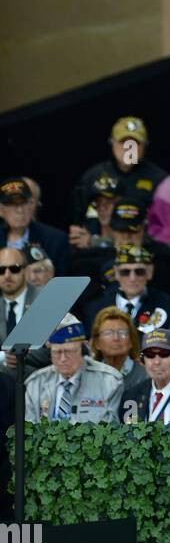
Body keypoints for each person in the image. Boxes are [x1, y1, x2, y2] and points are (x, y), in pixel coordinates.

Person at [25, 316, 123, 424]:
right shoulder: (36, 383)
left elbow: (112, 430)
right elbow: (30, 431)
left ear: (82, 351)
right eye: (57, 352)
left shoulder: (110, 381)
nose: (63, 359)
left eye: (69, 352)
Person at [71, 116, 167, 223]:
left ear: (145, 145)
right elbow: (78, 217)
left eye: (135, 143)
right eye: (123, 142)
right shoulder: (92, 176)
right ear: (112, 142)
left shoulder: (160, 179)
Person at [83, 244, 170, 336]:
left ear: (150, 272)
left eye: (139, 272)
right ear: (116, 273)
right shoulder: (95, 309)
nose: (132, 278)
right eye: (125, 272)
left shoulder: (168, 306)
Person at [0, 178, 67, 271]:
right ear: (1, 210)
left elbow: (64, 280)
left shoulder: (55, 240)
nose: (20, 210)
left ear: (32, 205)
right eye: (12, 204)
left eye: (24, 203)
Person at [0, 247, 44, 378]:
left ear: (26, 270)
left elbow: (57, 346)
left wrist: (23, 356)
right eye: (1, 270)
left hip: (38, 377)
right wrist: (4, 357)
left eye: (14, 268)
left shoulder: (44, 299)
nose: (7, 275)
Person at [89, 307, 147, 390]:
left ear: (131, 341)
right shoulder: (87, 377)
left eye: (122, 333)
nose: (116, 338)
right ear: (97, 343)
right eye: (108, 333)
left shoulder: (146, 375)